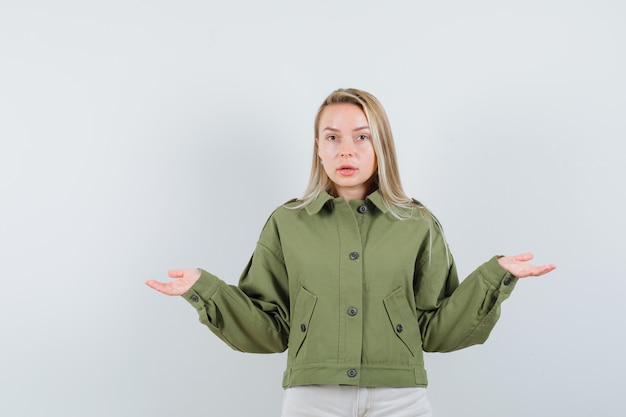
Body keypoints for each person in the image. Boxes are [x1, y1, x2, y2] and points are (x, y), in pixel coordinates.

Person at [146, 88, 556, 417]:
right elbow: (270, 330)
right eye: (333, 137)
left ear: (381, 146)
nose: (347, 150)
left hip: (401, 399)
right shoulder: (286, 223)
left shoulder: (418, 223)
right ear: (318, 148)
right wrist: (207, 289)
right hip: (312, 400)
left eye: (362, 136)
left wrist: (493, 277)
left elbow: (434, 329)